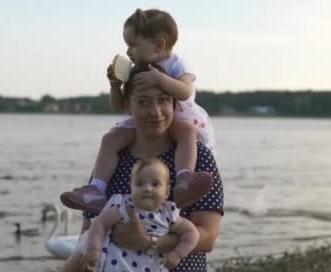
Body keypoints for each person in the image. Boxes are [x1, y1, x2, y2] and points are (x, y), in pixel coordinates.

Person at [75, 63, 224, 272]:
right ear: (128, 106)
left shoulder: (196, 159)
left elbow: (209, 236)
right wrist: (88, 260)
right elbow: (89, 225)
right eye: (143, 102)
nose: (156, 111)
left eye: (164, 100)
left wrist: (148, 242)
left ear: (175, 103)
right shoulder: (112, 158)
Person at [61, 8, 217, 214]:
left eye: (133, 45)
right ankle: (96, 190)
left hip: (180, 115)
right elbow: (119, 106)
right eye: (127, 45)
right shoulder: (138, 69)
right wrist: (115, 85)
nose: (128, 52)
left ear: (159, 45)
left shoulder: (176, 64)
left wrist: (160, 80)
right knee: (110, 139)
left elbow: (186, 92)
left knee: (186, 132)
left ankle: (184, 178)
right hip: (147, 124)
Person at [48, 158, 200, 272]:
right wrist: (94, 249)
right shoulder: (125, 206)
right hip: (104, 247)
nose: (147, 189)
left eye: (155, 184)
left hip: (131, 261)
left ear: (167, 191)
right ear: (131, 187)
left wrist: (178, 254)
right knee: (70, 270)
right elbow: (100, 224)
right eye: (139, 184)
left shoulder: (169, 214)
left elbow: (192, 234)